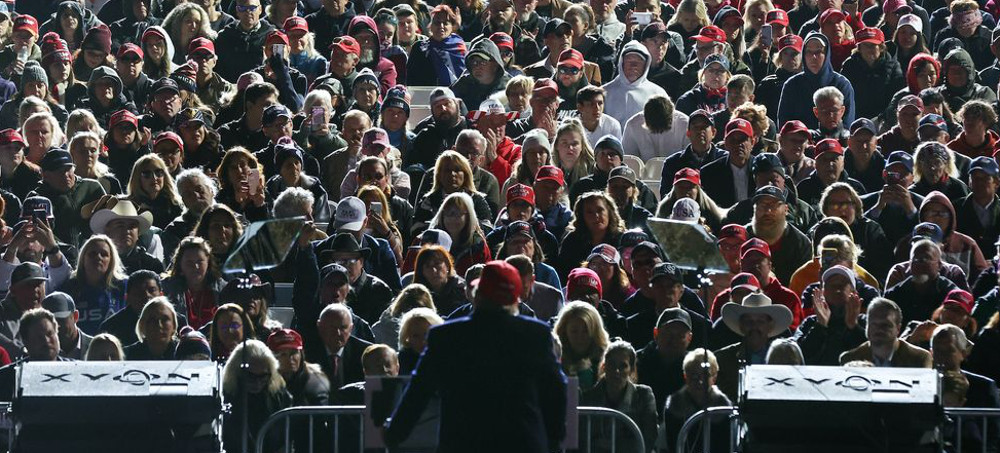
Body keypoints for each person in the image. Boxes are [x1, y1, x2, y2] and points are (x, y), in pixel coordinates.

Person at [384, 260, 567, 451]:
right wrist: (554, 440)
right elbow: (555, 391)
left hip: (462, 444)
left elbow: (418, 391)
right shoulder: (536, 335)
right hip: (522, 443)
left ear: (477, 295)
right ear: (515, 298)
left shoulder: (446, 336)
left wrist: (394, 433)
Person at [579, 340, 658, 452]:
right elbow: (583, 442)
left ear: (631, 370)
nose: (616, 371)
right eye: (611, 364)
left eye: (623, 366)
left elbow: (649, 439)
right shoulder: (588, 398)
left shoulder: (644, 396)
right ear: (604, 366)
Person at [715, 292, 794, 401]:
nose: (754, 326)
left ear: (770, 326)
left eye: (760, 322)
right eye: (749, 321)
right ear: (741, 326)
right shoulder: (722, 359)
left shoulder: (784, 358)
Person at [221, 339, 293, 453]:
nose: (257, 382)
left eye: (263, 376)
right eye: (250, 376)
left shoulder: (279, 396)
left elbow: (284, 438)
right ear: (237, 372)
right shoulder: (225, 397)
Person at [777, 32, 855, 130]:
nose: (813, 57)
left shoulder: (842, 84)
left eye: (818, 52)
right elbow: (784, 126)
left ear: (827, 54)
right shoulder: (792, 85)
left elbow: (847, 125)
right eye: (809, 52)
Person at [793, 265, 868, 365]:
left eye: (842, 284)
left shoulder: (864, 322)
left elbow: (874, 354)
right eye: (831, 285)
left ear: (854, 292)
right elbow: (799, 356)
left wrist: (854, 327)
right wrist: (820, 326)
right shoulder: (810, 323)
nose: (837, 288)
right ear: (823, 292)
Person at [663, 348, 731, 453]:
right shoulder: (674, 406)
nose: (699, 381)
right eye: (694, 375)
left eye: (705, 375)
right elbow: (672, 444)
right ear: (685, 376)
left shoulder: (723, 408)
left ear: (714, 377)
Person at [840, 297, 932, 367]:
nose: (878, 329)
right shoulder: (850, 358)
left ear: (898, 329)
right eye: (873, 324)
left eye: (885, 325)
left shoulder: (919, 358)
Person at [309, 303, 373, 394]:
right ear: (320, 326)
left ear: (351, 329)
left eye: (343, 328)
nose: (338, 333)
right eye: (332, 328)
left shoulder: (365, 352)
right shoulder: (307, 351)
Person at [602, 40, 667, 127]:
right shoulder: (604, 92)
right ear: (622, 63)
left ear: (646, 65)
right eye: (629, 61)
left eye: (639, 61)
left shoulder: (658, 93)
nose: (633, 66)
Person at [99, 269, 162, 347]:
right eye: (139, 292)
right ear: (127, 297)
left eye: (152, 290)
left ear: (161, 294)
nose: (146, 295)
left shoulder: (177, 321)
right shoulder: (111, 328)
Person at [41, 291, 91, 359]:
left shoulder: (96, 348)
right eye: (50, 323)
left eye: (60, 320)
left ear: (75, 316)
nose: (56, 326)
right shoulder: (41, 353)